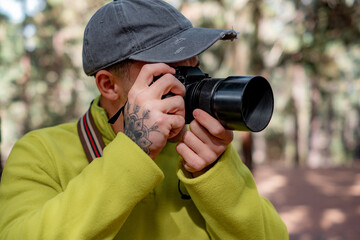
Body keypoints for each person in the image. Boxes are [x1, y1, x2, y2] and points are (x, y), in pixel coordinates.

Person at [0, 0, 288, 239]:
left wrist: (216, 175)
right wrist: (133, 151)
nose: (192, 83)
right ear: (108, 85)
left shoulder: (198, 144)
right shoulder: (40, 153)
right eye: (172, 72)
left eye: (195, 66)